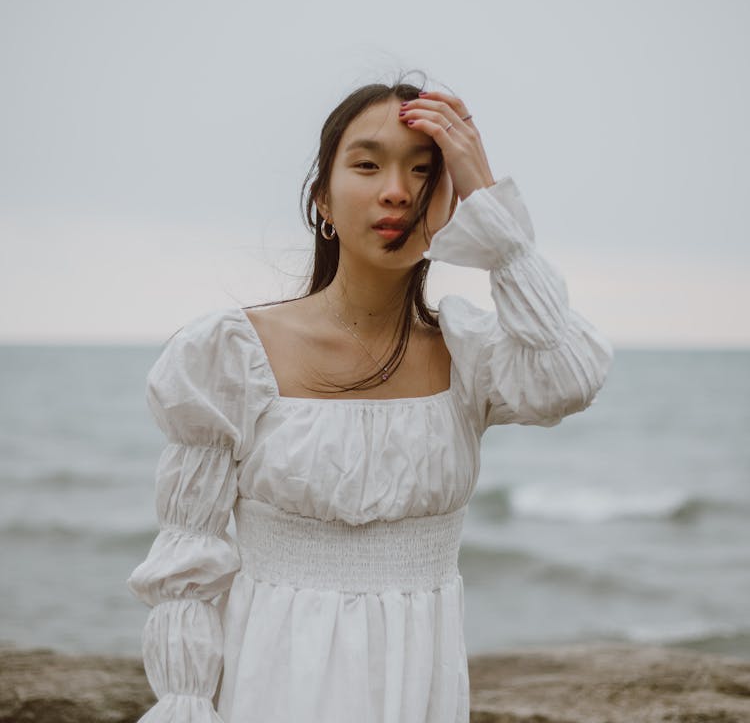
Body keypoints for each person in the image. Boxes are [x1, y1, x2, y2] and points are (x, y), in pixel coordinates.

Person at [127, 76, 614, 723]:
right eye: (367, 164)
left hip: (420, 687)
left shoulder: (468, 352)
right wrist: (186, 706)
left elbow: (570, 376)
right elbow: (186, 571)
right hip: (273, 683)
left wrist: (492, 210)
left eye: (425, 171)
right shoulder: (231, 353)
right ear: (323, 199)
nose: (397, 191)